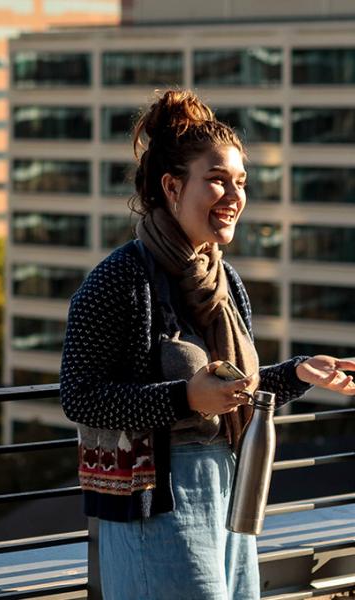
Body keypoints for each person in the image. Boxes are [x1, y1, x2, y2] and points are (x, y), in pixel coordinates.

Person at [59, 89, 355, 600]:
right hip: (158, 506)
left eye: (241, 182)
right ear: (172, 187)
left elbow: (235, 393)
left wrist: (300, 373)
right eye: (217, 180)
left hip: (229, 492)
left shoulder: (226, 281)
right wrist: (184, 398)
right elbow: (80, 396)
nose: (234, 196)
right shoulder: (118, 279)